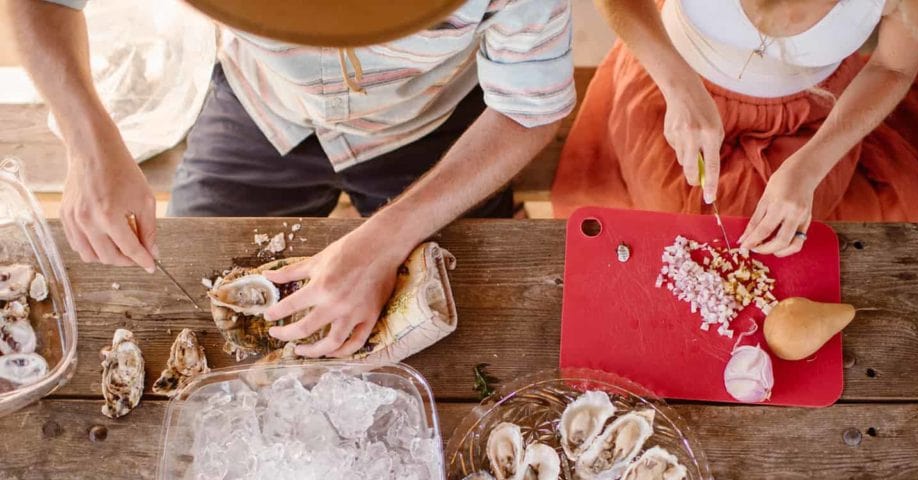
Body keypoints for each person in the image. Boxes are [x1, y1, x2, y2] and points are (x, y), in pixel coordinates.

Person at [9, 0, 574, 356]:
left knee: (479, 319)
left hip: (431, 126)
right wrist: (88, 146)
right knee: (184, 299)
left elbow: (529, 107)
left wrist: (384, 240)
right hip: (260, 105)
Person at [552, 0, 918, 257]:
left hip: (813, 113)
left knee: (774, 234)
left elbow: (893, 67)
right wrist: (679, 87)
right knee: (675, 222)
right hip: (674, 83)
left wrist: (808, 168)